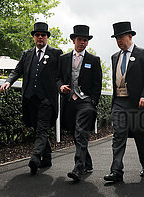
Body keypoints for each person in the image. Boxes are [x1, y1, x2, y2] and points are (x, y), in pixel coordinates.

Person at [0, 22, 63, 175]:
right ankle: (46, 158)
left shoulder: (56, 53)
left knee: (42, 129)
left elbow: (61, 74)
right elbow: (16, 71)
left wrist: (62, 87)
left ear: (47, 37)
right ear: (34, 37)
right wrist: (8, 82)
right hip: (30, 99)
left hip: (46, 100)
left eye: (43, 35)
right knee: (38, 129)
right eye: (37, 35)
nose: (40, 37)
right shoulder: (26, 54)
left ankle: (35, 158)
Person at [104, 21, 144, 182]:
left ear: (130, 36)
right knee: (118, 136)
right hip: (119, 102)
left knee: (140, 137)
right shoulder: (114, 57)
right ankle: (116, 171)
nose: (119, 41)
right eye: (116, 38)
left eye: (121, 37)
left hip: (137, 103)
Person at [56, 25, 102, 181]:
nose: (83, 42)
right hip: (69, 101)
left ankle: (78, 167)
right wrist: (61, 86)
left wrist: (93, 102)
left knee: (81, 131)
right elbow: (57, 78)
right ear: (73, 40)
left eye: (85, 40)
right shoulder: (63, 59)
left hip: (85, 102)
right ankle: (87, 162)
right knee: (76, 134)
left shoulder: (93, 60)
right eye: (80, 39)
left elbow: (97, 84)